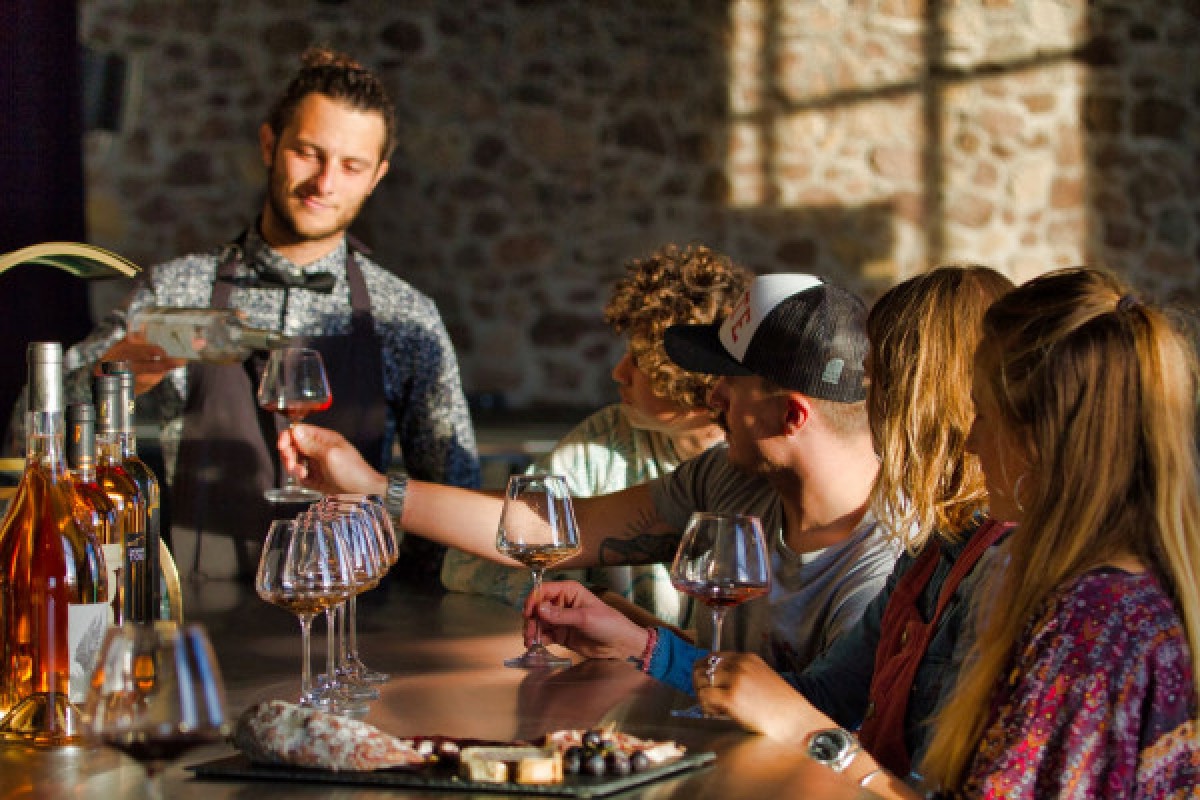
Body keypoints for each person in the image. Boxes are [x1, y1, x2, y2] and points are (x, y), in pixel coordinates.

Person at [280, 273, 899, 673]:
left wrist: (641, 645)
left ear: (791, 415)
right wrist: (368, 487)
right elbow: (555, 526)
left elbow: (818, 723)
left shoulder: (885, 563)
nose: (712, 401)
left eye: (729, 387)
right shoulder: (730, 480)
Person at [532, 266, 1014, 765]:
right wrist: (641, 644)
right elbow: (822, 697)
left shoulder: (964, 559)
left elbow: (842, 732)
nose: (864, 400)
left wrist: (645, 646)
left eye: (882, 383)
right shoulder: (938, 550)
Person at [53, 47, 480, 581]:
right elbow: (35, 436)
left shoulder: (407, 317)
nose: (325, 183)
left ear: (377, 176)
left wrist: (403, 617)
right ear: (268, 144)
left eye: (351, 166)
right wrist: (105, 381)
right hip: (200, 625)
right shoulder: (175, 289)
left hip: (352, 635)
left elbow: (453, 502)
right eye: (308, 153)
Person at [794, 268, 1200, 798]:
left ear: (1037, 439)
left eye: (982, 414)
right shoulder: (1139, 586)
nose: (971, 442)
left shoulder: (1085, 620)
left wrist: (821, 743)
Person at [440, 243, 751, 627]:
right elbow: (473, 559)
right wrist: (596, 603)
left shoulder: (759, 464)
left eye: (639, 361)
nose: (618, 373)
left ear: (694, 373)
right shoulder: (606, 439)